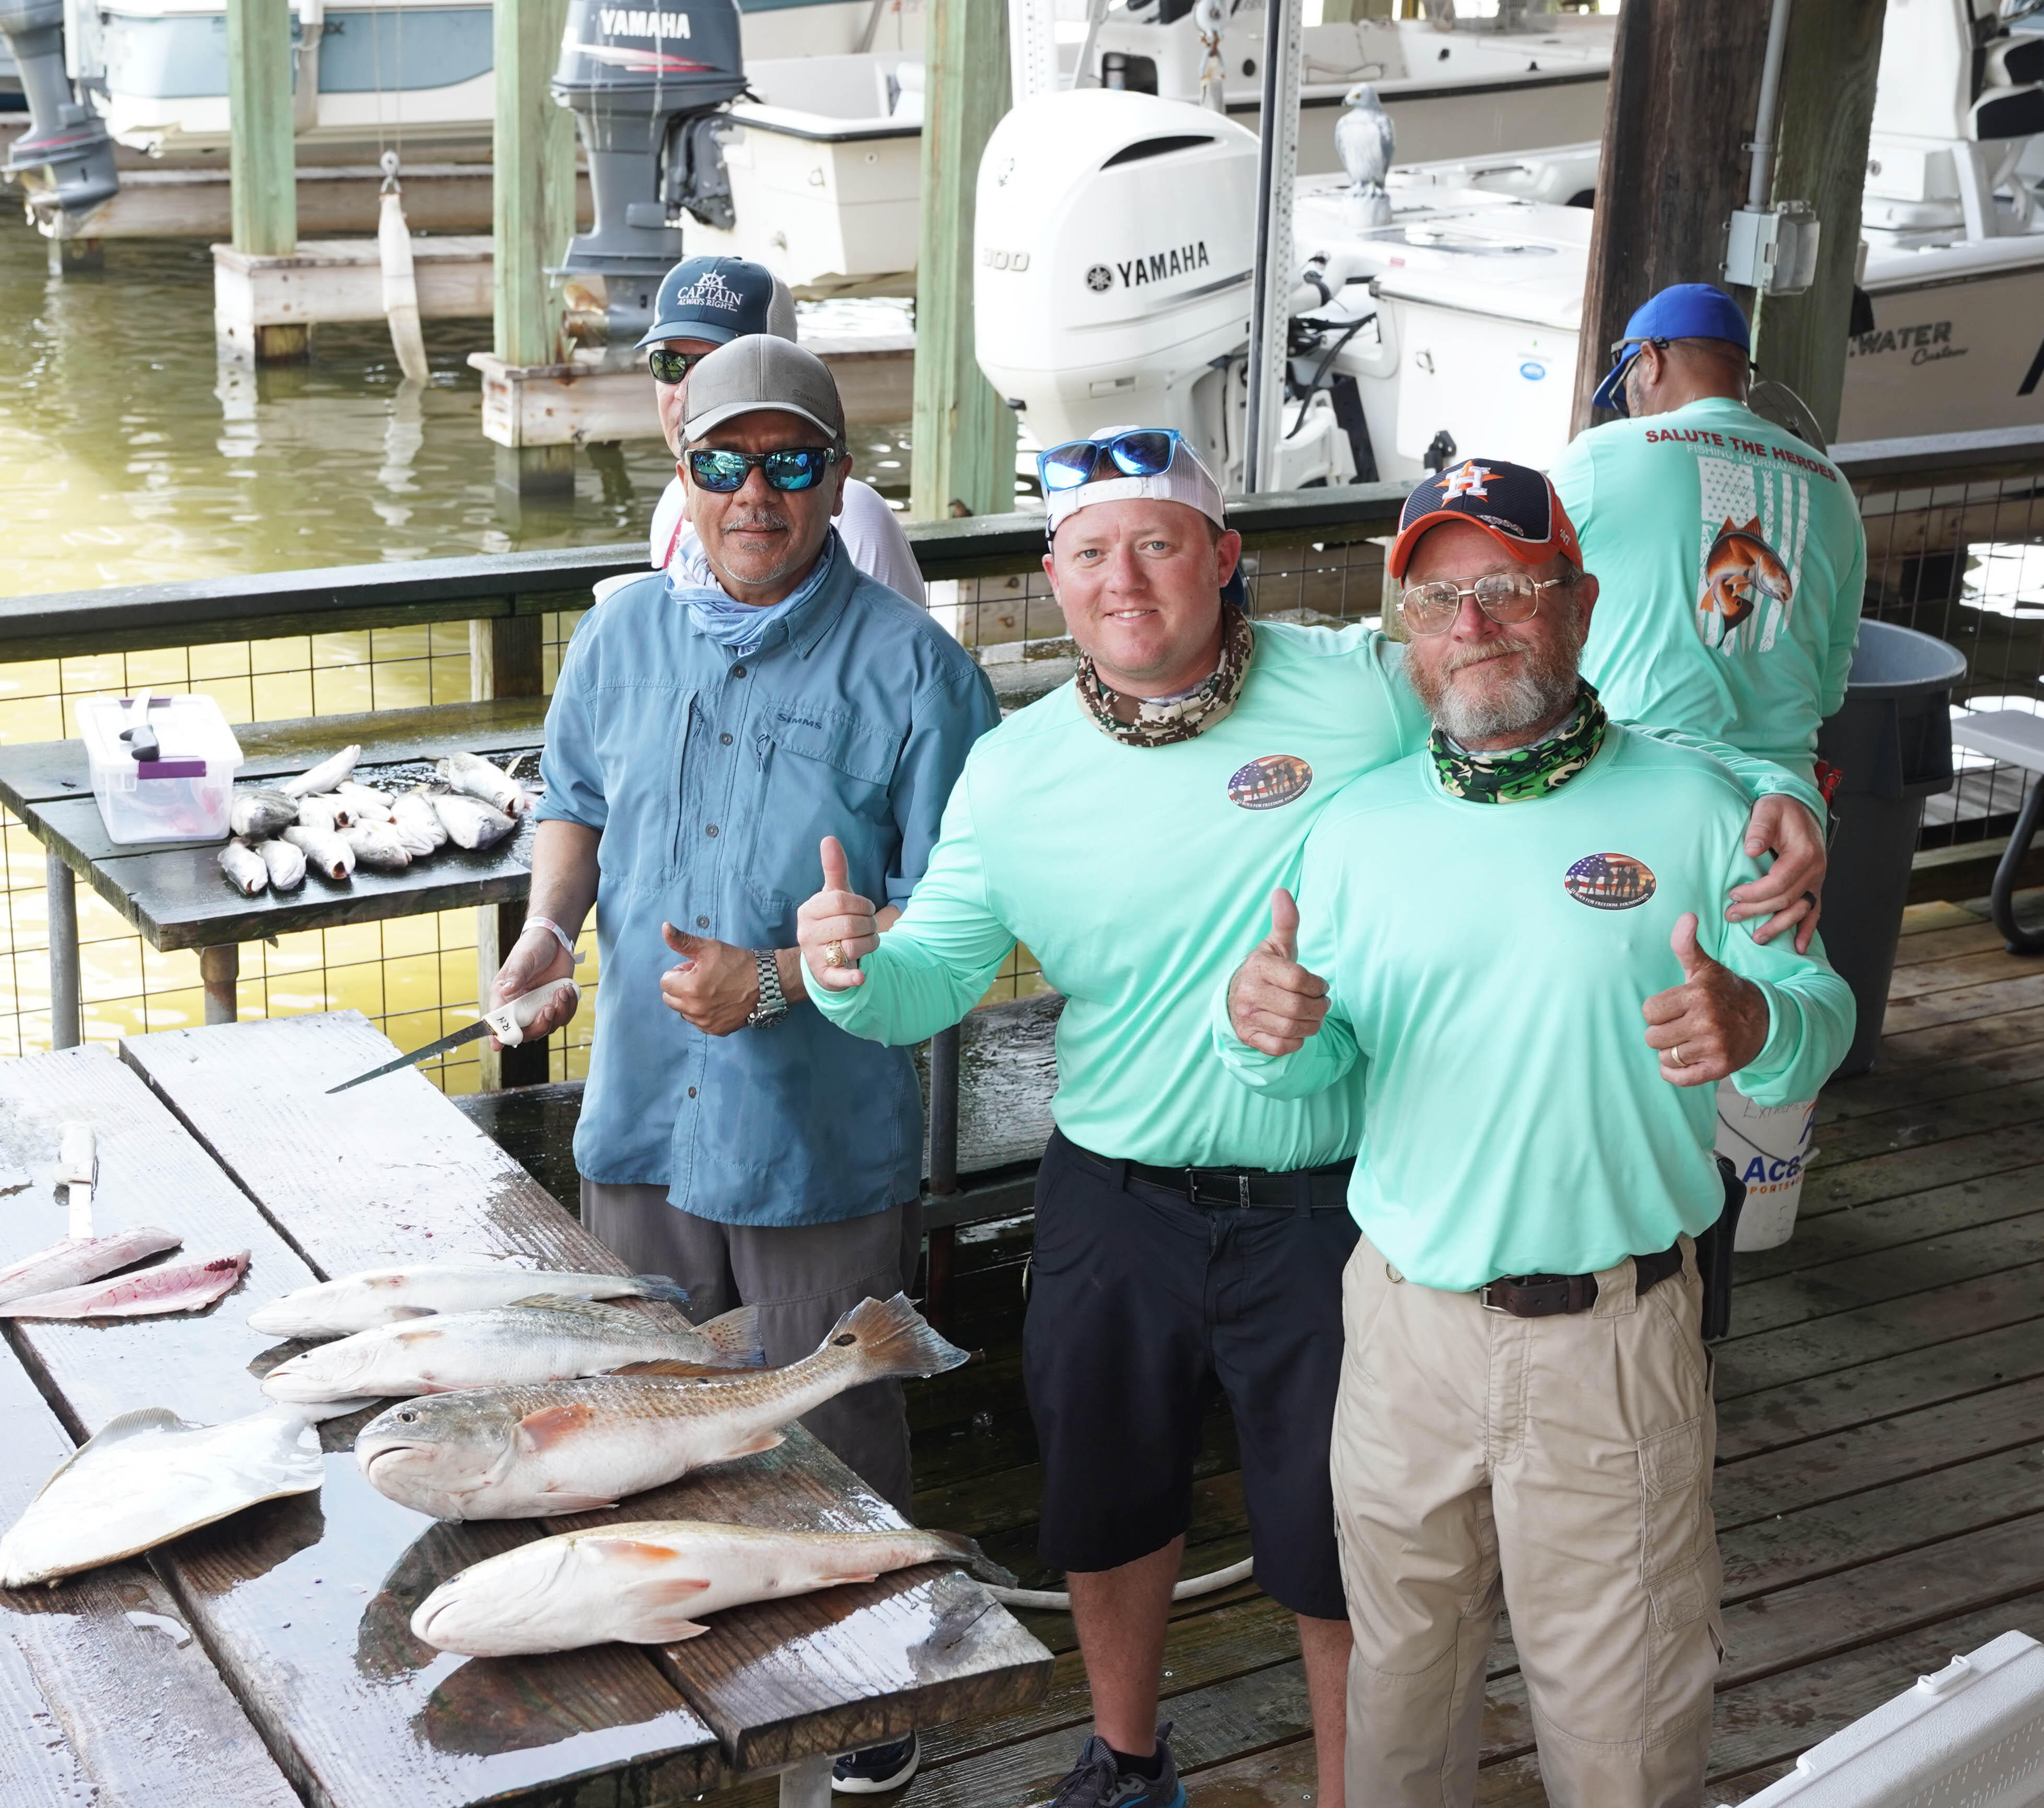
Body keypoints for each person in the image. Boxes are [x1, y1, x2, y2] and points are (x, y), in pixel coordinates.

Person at [792, 431, 1829, 1808]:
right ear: (1053, 577)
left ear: (1225, 558)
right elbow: (936, 974)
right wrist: (844, 968)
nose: (1128, 580)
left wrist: (1784, 801)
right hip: (1141, 1190)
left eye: (1160, 542)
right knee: (1115, 1509)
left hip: (1337, 1207)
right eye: (1093, 551)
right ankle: (1127, 1754)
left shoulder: (1362, 694)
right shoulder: (1028, 770)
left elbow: (1569, 725)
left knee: (1354, 1563)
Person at [1217, 457, 1856, 1808]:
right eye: (1442, 598)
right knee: (1396, 1719)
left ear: (1580, 602)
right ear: (1406, 631)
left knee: (1623, 1741)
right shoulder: (1354, 828)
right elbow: (1313, 1071)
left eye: (1513, 586)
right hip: (1398, 1337)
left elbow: (1819, 1012)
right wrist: (1266, 1033)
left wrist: (1755, 1024)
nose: (1477, 623)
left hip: (1609, 1349)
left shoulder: (1701, 806)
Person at [493, 333, 998, 1795]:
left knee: (828, 1418)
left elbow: (969, 915)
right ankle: (671, 1679)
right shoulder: (620, 635)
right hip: (639, 1122)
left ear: (841, 482)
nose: (755, 492)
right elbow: (575, 798)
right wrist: (545, 928)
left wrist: (781, 975)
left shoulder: (919, 672)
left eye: (790, 462)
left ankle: (867, 1690)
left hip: (813, 1136)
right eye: (725, 461)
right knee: (636, 1412)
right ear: (684, 471)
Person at [1559, 283, 1868, 815]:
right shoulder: (1831, 485)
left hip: (1644, 785)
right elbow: (1827, 696)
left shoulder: (1601, 456)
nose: (1630, 404)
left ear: (1649, 361)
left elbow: (1518, 599)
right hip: (1782, 809)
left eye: (1628, 382)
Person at [635, 255, 928, 603]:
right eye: (670, 364)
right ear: (686, 477)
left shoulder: (856, 517)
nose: (685, 390)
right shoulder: (675, 501)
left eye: (720, 367)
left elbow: (896, 644)